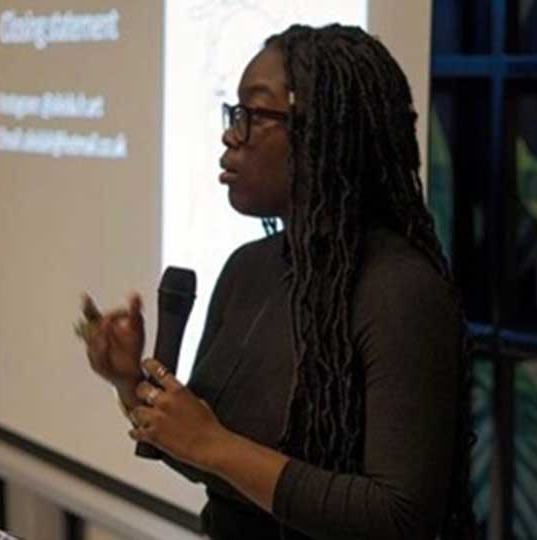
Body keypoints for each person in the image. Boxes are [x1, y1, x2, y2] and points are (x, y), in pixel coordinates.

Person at [79, 24, 474, 540]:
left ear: (325, 132)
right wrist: (129, 382)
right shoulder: (248, 269)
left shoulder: (400, 291)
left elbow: (397, 516)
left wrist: (212, 443)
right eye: (233, 113)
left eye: (253, 114)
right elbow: (213, 465)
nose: (230, 134)